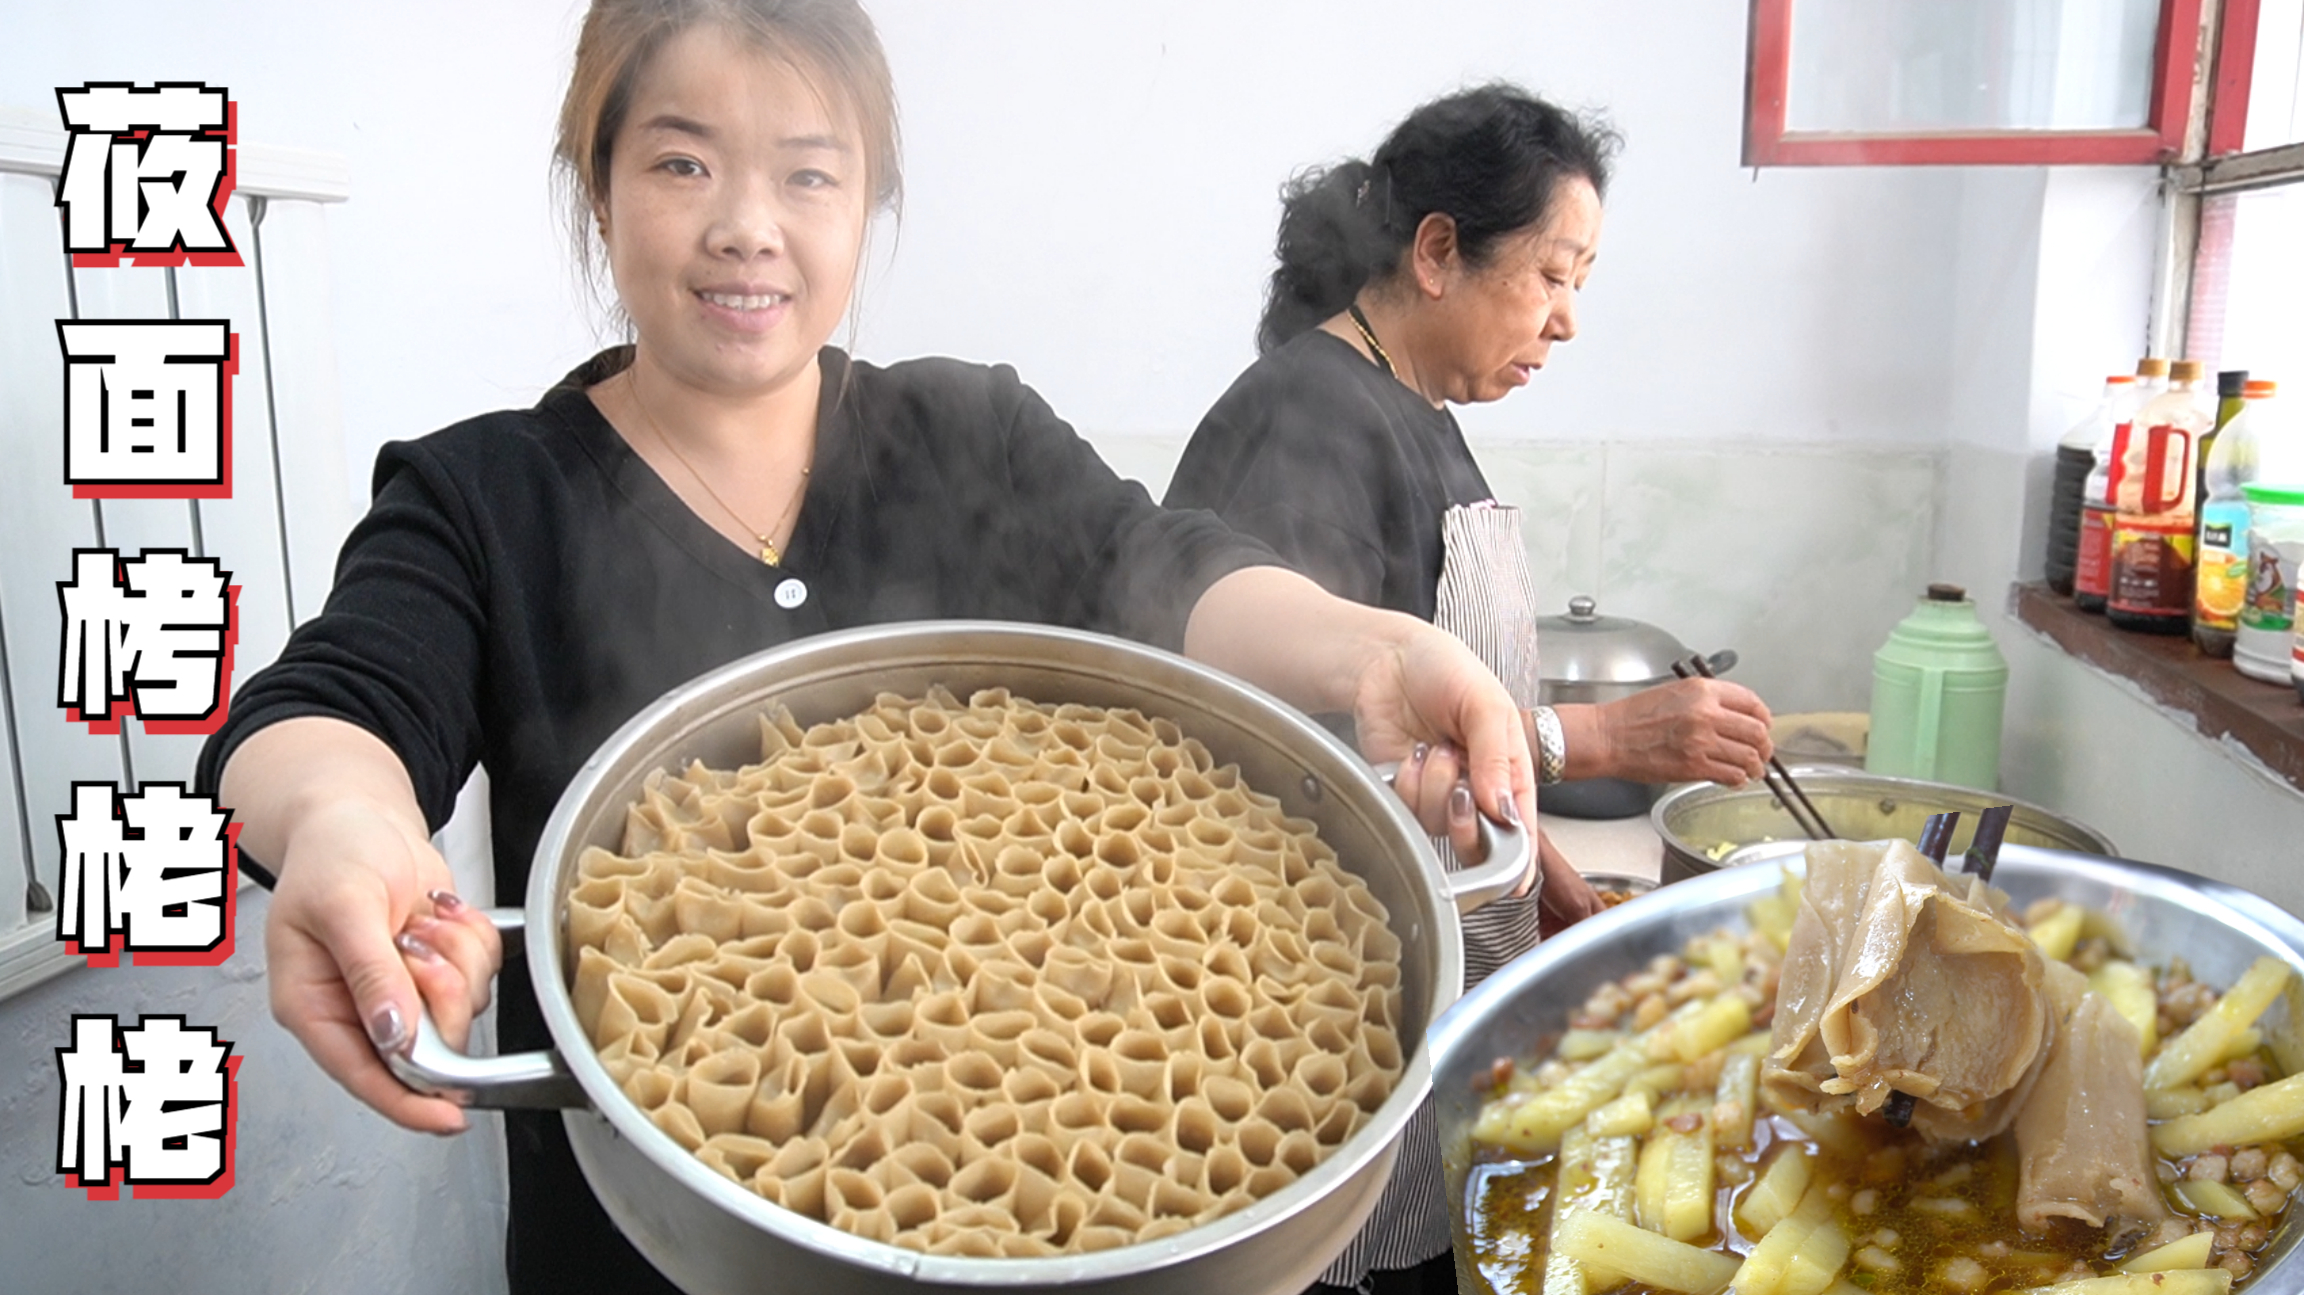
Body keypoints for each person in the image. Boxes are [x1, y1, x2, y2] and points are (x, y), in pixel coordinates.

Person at [195, 3, 1538, 1291]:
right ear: (597, 191)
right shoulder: (487, 494)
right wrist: (337, 817)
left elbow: (1164, 569)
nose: (746, 228)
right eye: (681, 161)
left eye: (808, 174)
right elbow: (331, 707)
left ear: (866, 206)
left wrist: (1366, 653)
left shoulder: (971, 437)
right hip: (646, 1250)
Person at [1164, 85, 1776, 1294]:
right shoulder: (1310, 421)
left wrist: (1550, 888)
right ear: (1437, 249)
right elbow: (1301, 773)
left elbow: (1457, 718)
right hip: (1330, 1018)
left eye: (1580, 287)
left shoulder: (1415, 408)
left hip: (1440, 981)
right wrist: (1592, 732)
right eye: (1553, 274)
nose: (1565, 322)